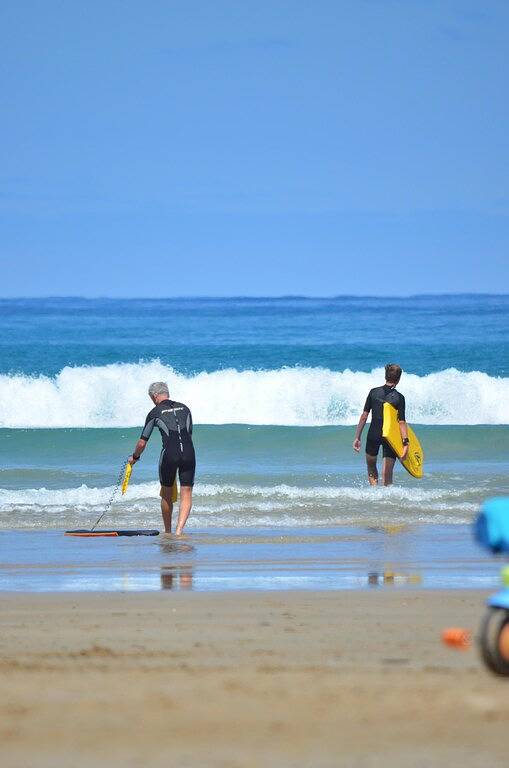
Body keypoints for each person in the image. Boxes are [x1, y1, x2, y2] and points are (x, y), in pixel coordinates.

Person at [128, 382, 196, 535]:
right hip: (189, 453)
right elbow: (188, 433)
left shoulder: (154, 412)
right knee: (186, 491)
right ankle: (179, 531)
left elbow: (142, 442)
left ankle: (168, 531)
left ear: (154, 396)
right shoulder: (185, 408)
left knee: (166, 493)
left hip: (169, 455)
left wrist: (135, 457)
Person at [352, 363, 409, 486]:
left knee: (371, 467)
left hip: (374, 434)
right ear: (398, 379)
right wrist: (405, 443)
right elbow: (402, 422)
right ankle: (386, 500)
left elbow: (364, 416)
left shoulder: (373, 392)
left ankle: (375, 495)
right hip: (390, 438)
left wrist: (357, 437)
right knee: (387, 474)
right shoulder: (399, 398)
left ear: (385, 376)